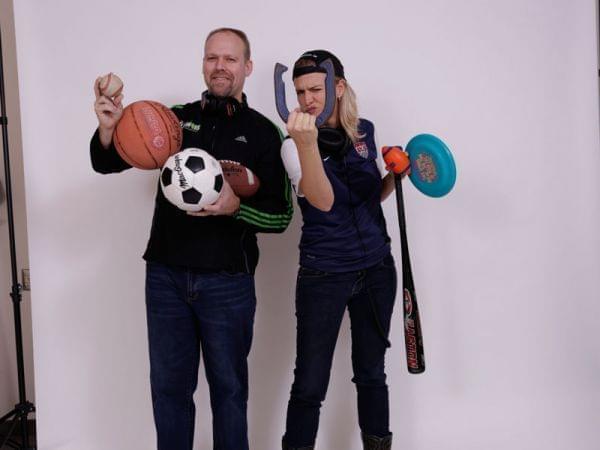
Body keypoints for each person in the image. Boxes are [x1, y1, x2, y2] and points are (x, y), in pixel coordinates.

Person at [90, 28, 292, 450]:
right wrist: (110, 128)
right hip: (165, 277)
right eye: (212, 58)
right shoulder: (173, 120)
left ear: (247, 67)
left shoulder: (264, 133)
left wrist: (236, 207)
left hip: (227, 283)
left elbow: (281, 218)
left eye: (230, 59)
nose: (220, 66)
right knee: (168, 393)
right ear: (203, 63)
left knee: (230, 393)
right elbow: (108, 164)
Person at [280, 50, 401, 450]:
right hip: (324, 274)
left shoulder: (365, 130)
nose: (308, 99)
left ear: (339, 87)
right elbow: (324, 200)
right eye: (300, 91)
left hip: (376, 269)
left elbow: (369, 197)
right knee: (310, 383)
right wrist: (307, 145)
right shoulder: (292, 145)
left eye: (316, 88)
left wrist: (398, 176)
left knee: (372, 373)